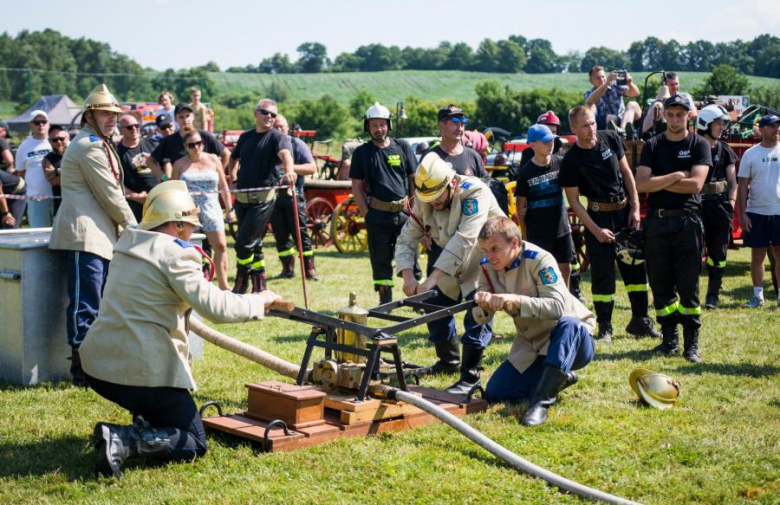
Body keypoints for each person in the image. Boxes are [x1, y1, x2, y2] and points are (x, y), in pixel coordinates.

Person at [80, 180, 281, 479]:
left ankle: (143, 422)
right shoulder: (177, 253)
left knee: (159, 408)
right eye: (188, 225)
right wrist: (259, 301)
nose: (190, 231)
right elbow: (216, 308)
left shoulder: (129, 243)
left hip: (98, 366)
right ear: (174, 224)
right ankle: (123, 440)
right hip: (140, 371)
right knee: (194, 441)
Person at [49, 84, 138, 385]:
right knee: (85, 305)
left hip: (99, 236)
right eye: (105, 113)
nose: (112, 119)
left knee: (96, 303)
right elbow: (111, 194)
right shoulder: (89, 145)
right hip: (84, 235)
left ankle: (96, 367)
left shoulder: (98, 142)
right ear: (90, 115)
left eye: (115, 114)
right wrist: (134, 228)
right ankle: (82, 371)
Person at [396, 152, 505, 394]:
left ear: (452, 184)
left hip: (486, 261)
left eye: (437, 197)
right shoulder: (427, 196)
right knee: (435, 306)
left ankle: (470, 376)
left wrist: (431, 279)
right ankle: (449, 361)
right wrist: (408, 275)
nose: (433, 203)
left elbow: (465, 240)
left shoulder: (474, 192)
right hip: (453, 262)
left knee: (478, 312)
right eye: (429, 199)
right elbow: (407, 237)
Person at [474, 217, 595, 426]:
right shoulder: (486, 266)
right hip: (533, 345)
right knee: (496, 393)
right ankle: (559, 380)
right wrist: (482, 306)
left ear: (514, 243)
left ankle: (541, 403)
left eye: (494, 249)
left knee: (570, 324)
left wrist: (516, 301)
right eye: (485, 250)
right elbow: (481, 317)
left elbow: (556, 307)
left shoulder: (540, 259)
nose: (489, 256)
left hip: (572, 340)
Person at [561, 106, 660, 343]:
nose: (592, 129)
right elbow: (574, 202)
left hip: (625, 213)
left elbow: (627, 173)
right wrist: (595, 230)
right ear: (574, 129)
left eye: (593, 123)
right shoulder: (571, 160)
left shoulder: (610, 137)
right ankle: (605, 327)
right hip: (598, 218)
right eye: (585, 125)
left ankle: (641, 321)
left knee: (636, 268)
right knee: (603, 275)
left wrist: (635, 207)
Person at [635, 94, 710, 363]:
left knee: (688, 284)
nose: (675, 119)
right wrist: (677, 175)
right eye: (671, 114)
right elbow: (641, 184)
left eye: (680, 114)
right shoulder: (653, 145)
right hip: (657, 221)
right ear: (664, 115)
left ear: (689, 115)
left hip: (686, 221)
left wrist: (658, 181)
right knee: (661, 282)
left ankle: (691, 344)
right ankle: (669, 341)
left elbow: (695, 186)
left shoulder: (699, 144)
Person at [350, 102, 420, 304]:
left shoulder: (403, 147)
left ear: (388, 125)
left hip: (405, 214)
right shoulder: (362, 153)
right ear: (368, 127)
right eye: (374, 125)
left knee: (411, 257)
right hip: (377, 215)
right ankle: (385, 302)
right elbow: (356, 187)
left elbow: (413, 181)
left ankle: (418, 300)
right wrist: (366, 214)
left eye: (382, 124)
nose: (378, 129)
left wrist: (414, 211)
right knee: (380, 260)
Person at [228, 98, 296, 293]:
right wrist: (232, 178)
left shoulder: (277, 137)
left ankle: (242, 282)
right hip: (242, 199)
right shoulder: (246, 137)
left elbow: (286, 155)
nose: (269, 117)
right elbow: (233, 158)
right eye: (265, 112)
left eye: (273, 115)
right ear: (255, 114)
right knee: (254, 243)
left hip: (263, 199)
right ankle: (260, 286)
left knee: (243, 243)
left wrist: (289, 170)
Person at [514, 124, 575, 286]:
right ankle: (543, 304)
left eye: (552, 140)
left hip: (561, 228)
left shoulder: (561, 163)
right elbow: (520, 208)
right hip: (538, 232)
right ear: (533, 144)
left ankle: (565, 305)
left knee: (565, 268)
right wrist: (525, 237)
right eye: (545, 141)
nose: (551, 144)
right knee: (541, 272)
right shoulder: (526, 173)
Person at [172, 130, 232, 290]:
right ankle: (188, 285)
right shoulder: (179, 164)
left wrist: (230, 209)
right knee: (185, 248)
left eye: (199, 143)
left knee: (221, 246)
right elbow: (173, 189)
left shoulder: (213, 159)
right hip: (187, 211)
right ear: (186, 147)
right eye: (192, 145)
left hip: (212, 208)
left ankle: (224, 286)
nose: (196, 147)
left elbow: (224, 186)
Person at [696, 105, 738, 309]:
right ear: (705, 124)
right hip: (695, 206)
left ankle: (713, 294)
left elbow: (733, 182)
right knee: (691, 251)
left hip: (719, 206)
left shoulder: (725, 150)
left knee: (718, 254)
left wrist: (730, 204)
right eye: (718, 123)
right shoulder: (692, 148)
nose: (722, 127)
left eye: (723, 123)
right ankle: (690, 293)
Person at [737, 114, 780, 309]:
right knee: (757, 255)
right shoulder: (751, 154)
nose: (777, 129)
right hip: (756, 211)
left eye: (778, 126)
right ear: (761, 129)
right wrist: (743, 213)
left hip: (778, 211)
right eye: (772, 126)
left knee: (779, 254)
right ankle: (758, 296)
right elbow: (743, 185)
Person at [270, 114, 320, 280]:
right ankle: (287, 269)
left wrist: (290, 167)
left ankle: (309, 270)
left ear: (287, 128)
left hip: (293, 196)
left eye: (281, 127)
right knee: (280, 235)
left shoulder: (296, 144)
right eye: (275, 127)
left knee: (300, 233)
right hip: (273, 197)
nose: (279, 130)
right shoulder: (268, 146)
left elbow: (312, 168)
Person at [150, 103, 229, 180]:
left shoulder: (205, 136)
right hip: (182, 188)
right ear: (175, 119)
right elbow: (150, 161)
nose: (185, 119)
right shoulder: (170, 140)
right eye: (181, 117)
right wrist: (164, 178)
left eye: (187, 116)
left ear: (193, 116)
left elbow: (227, 154)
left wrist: (218, 173)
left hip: (206, 185)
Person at [116, 114, 161, 222]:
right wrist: (135, 196)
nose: (134, 129)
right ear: (121, 130)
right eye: (129, 127)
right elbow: (116, 180)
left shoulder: (153, 144)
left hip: (160, 198)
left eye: (136, 125)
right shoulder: (116, 152)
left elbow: (166, 166)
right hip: (136, 203)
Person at [423, 105, 487, 177]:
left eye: (462, 124)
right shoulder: (430, 158)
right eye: (455, 123)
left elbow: (484, 183)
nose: (460, 129)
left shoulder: (473, 156)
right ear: (442, 126)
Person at [15, 110, 52, 227]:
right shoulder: (24, 146)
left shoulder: (57, 140)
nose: (41, 125)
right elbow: (21, 171)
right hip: (36, 199)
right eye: (37, 122)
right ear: (30, 125)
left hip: (60, 196)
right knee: (40, 234)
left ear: (48, 124)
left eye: (44, 122)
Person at [585, 66, 641, 137]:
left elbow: (635, 93)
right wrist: (606, 84)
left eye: (603, 77)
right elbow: (589, 101)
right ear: (591, 81)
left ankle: (623, 131)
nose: (602, 80)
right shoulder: (590, 93)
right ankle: (610, 140)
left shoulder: (614, 86)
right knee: (610, 117)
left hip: (623, 119)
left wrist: (630, 83)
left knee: (633, 104)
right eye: (598, 78)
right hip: (604, 123)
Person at [42, 125, 69, 216]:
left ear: (67, 137)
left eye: (61, 139)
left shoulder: (75, 154)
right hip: (60, 204)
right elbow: (53, 181)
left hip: (80, 201)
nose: (59, 142)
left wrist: (57, 172)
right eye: (54, 140)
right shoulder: (48, 159)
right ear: (49, 141)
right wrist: (72, 172)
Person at [0, 164, 26, 229]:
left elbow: (0, 196)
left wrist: (6, 213)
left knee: (10, 223)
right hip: (5, 193)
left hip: (18, 191)